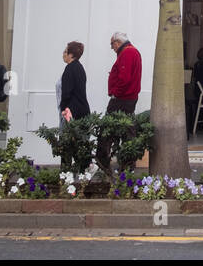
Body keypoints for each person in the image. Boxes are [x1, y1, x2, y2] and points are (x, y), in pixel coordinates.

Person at [96, 32, 142, 173]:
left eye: (112, 44)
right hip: (128, 98)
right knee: (126, 130)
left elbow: (124, 78)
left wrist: (115, 92)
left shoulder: (127, 53)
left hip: (122, 99)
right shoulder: (132, 51)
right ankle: (127, 165)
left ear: (117, 42)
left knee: (108, 130)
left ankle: (103, 162)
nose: (112, 48)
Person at [58, 41, 90, 124]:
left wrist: (63, 109)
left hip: (72, 112)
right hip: (83, 111)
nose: (63, 54)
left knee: (68, 136)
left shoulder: (69, 69)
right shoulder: (80, 67)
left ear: (71, 55)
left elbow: (66, 93)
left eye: (65, 52)